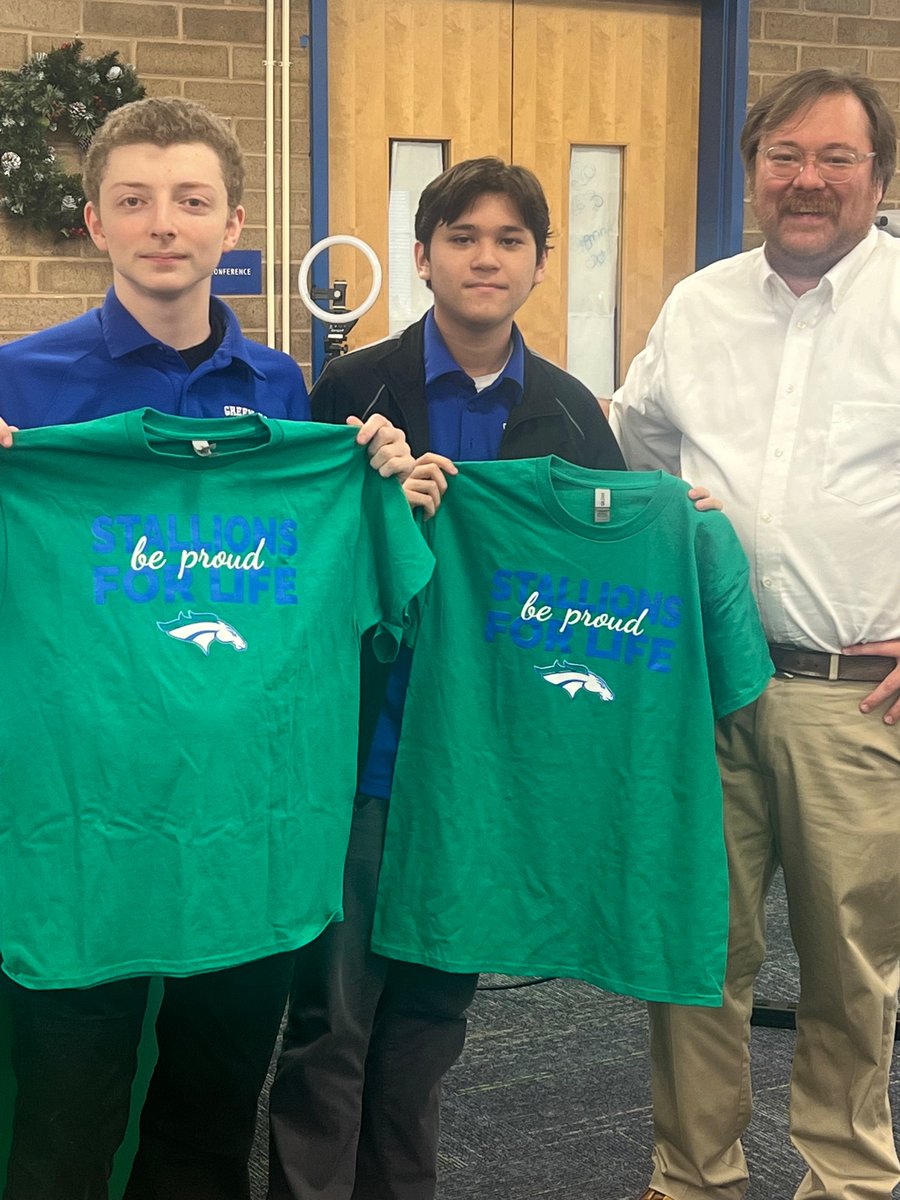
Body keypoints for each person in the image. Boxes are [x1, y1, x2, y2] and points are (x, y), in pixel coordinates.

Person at [267, 156, 716, 1200]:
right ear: (422, 257)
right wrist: (389, 518)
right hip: (367, 757)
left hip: (482, 774)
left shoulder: (572, 413)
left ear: (540, 263)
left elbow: (603, 584)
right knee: (332, 1021)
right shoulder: (351, 392)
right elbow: (301, 563)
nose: (485, 257)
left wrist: (671, 530)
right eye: (462, 236)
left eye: (510, 240)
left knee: (430, 1023)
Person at [0, 96, 412, 1200]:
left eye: (191, 201)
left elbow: (324, 584)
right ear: (95, 221)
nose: (162, 224)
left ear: (233, 224)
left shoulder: (283, 395)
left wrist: (374, 478)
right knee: (62, 1128)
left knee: (207, 1126)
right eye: (134, 200)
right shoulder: (18, 382)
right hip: (77, 826)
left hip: (244, 831)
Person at [611, 69, 900, 1200]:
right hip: (705, 688)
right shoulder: (699, 306)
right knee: (693, 954)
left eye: (836, 158)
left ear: (880, 177)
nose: (807, 179)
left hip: (854, 698)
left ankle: (848, 1181)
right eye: (784, 156)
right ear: (752, 172)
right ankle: (692, 1177)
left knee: (850, 970)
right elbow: (638, 443)